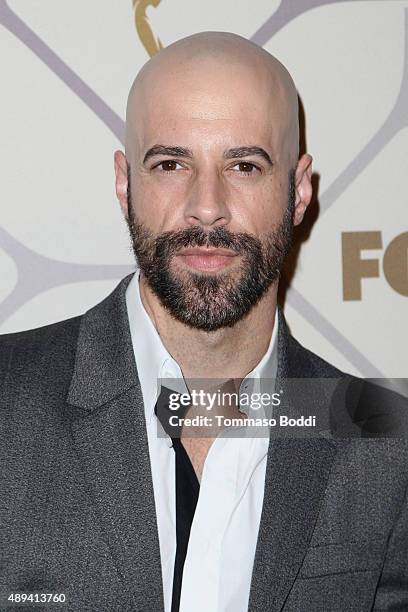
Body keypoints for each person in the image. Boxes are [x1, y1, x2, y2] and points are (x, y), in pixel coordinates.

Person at [0, 31, 407, 612]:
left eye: (244, 165)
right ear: (125, 182)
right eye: (171, 163)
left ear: (297, 190)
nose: (206, 204)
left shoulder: (385, 446)